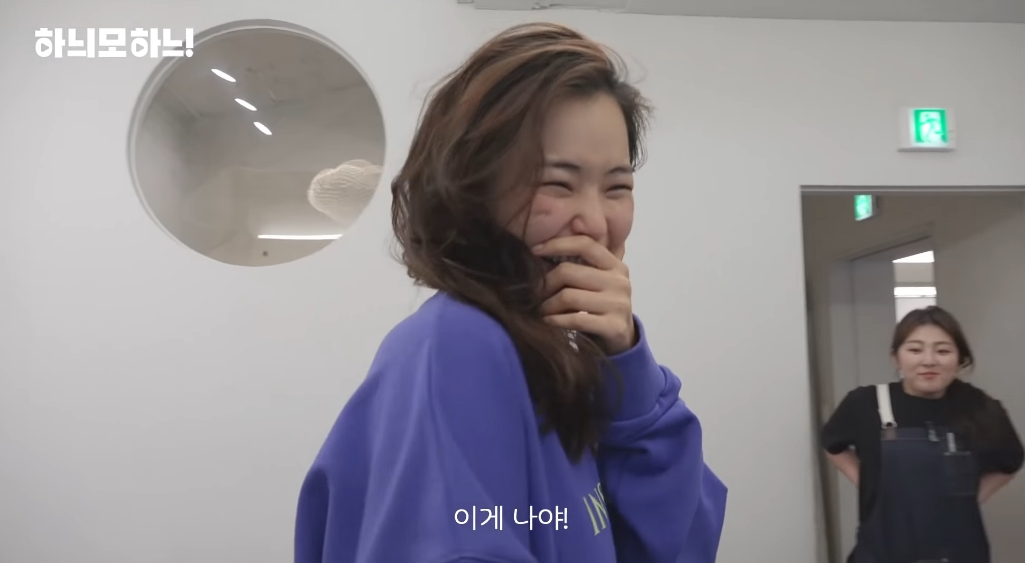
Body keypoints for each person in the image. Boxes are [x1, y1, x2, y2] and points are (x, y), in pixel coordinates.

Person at [293, 22, 727, 563]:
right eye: (557, 184)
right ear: (473, 188)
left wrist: (627, 366)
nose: (595, 222)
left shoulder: (555, 353)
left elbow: (677, 542)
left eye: (617, 187)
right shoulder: (460, 343)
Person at [821, 305, 1024, 563]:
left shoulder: (980, 407)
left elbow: (1010, 463)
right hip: (881, 553)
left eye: (943, 351)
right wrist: (869, 483)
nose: (929, 361)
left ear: (959, 359)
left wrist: (970, 499)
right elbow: (832, 445)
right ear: (896, 357)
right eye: (915, 350)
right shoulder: (865, 403)